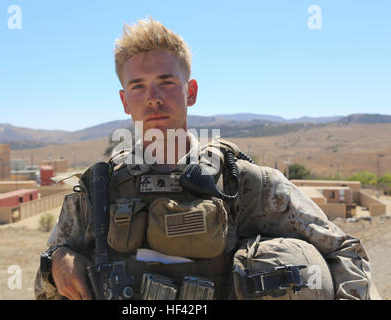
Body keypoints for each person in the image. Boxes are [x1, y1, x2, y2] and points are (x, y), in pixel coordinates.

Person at [34, 17, 373, 300]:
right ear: (124, 101)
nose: (152, 98)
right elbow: (45, 281)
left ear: (190, 92)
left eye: (166, 82)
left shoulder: (244, 183)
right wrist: (56, 264)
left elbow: (346, 252)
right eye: (138, 86)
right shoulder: (100, 190)